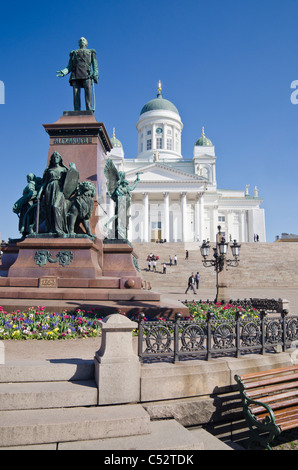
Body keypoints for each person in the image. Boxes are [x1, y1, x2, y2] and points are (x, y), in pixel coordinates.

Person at [57, 37, 99, 111]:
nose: (82, 41)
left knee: (88, 92)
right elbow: (70, 66)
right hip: (76, 74)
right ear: (78, 43)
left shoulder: (91, 52)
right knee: (76, 94)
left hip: (87, 74)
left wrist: (95, 74)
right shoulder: (74, 53)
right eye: (80, 40)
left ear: (86, 43)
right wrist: (63, 72)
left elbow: (95, 65)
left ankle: (89, 108)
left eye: (83, 40)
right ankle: (77, 110)